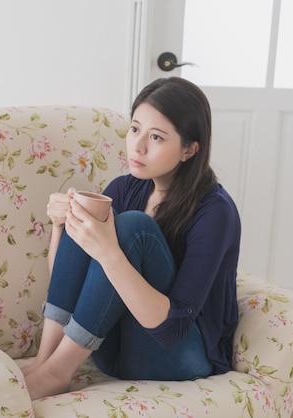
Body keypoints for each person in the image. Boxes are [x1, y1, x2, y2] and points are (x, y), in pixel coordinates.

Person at [22, 77, 241, 401]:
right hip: (110, 350)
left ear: (189, 150)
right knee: (90, 211)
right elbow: (69, 283)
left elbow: (172, 329)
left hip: (178, 356)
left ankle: (57, 373)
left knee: (133, 228)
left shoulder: (215, 212)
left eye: (156, 137)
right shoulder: (124, 188)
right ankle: (47, 362)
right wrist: (61, 224)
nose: (138, 146)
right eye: (135, 129)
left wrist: (110, 252)